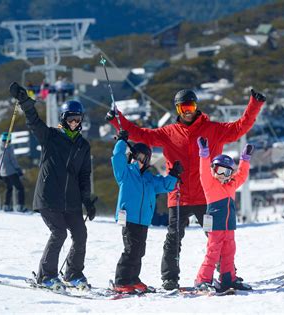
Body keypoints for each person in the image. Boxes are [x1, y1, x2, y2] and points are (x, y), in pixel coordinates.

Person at [106, 88, 266, 290]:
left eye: (190, 106)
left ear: (196, 107)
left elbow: (240, 128)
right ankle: (169, 278)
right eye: (183, 107)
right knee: (173, 239)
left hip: (206, 195)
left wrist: (254, 104)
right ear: (178, 109)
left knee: (218, 238)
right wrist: (117, 119)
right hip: (178, 195)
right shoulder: (168, 133)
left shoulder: (213, 129)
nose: (187, 111)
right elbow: (141, 134)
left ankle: (227, 274)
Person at [9, 82, 97, 291]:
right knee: (59, 233)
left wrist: (87, 200)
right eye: (71, 119)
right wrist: (25, 102)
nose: (75, 123)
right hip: (49, 198)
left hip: (72, 201)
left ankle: (73, 273)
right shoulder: (51, 137)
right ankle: (46, 276)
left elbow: (84, 175)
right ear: (63, 119)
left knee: (80, 233)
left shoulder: (83, 145)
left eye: (78, 119)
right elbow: (33, 122)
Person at [111, 130, 182, 293]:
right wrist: (121, 142)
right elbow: (117, 158)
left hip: (143, 220)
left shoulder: (149, 179)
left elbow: (165, 185)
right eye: (138, 157)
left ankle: (133, 278)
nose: (140, 161)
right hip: (129, 218)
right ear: (132, 157)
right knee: (131, 250)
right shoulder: (125, 173)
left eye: (144, 158)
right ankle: (121, 280)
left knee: (139, 251)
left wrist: (174, 175)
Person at [194, 137, 253, 292]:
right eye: (218, 170)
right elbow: (203, 172)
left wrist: (245, 160)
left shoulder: (232, 184)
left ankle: (228, 278)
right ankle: (203, 279)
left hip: (229, 225)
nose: (221, 174)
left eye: (226, 171)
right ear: (213, 170)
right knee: (213, 252)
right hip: (215, 224)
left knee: (229, 251)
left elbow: (241, 175)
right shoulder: (210, 184)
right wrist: (204, 154)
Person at [0, 132, 26, 212]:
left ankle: (6, 206)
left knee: (9, 188)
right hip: (11, 172)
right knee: (20, 188)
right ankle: (20, 206)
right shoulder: (9, 147)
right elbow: (13, 160)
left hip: (3, 173)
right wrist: (18, 169)